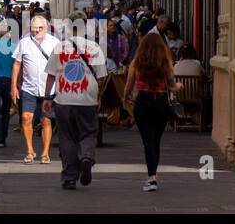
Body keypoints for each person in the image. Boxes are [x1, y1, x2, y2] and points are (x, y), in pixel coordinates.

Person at [43, 13, 108, 190]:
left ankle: (70, 177)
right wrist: (99, 96)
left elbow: (50, 74)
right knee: (88, 133)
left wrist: (47, 97)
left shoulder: (60, 47)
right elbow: (102, 78)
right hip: (87, 98)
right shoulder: (94, 47)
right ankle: (86, 156)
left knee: (66, 137)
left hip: (64, 98)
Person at [123, 31, 179, 192]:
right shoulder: (165, 63)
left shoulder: (136, 63)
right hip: (161, 103)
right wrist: (179, 87)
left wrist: (125, 98)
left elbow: (128, 84)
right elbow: (172, 85)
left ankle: (152, 178)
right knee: (156, 140)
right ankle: (153, 174)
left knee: (148, 141)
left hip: (143, 103)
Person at [11, 14, 60, 164]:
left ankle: (45, 153)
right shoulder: (24, 43)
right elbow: (17, 65)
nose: (36, 31)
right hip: (28, 88)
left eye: (39, 28)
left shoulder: (55, 42)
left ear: (46, 28)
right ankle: (30, 151)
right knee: (26, 118)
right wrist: (13, 86)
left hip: (48, 90)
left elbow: (61, 65)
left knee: (45, 120)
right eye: (34, 29)